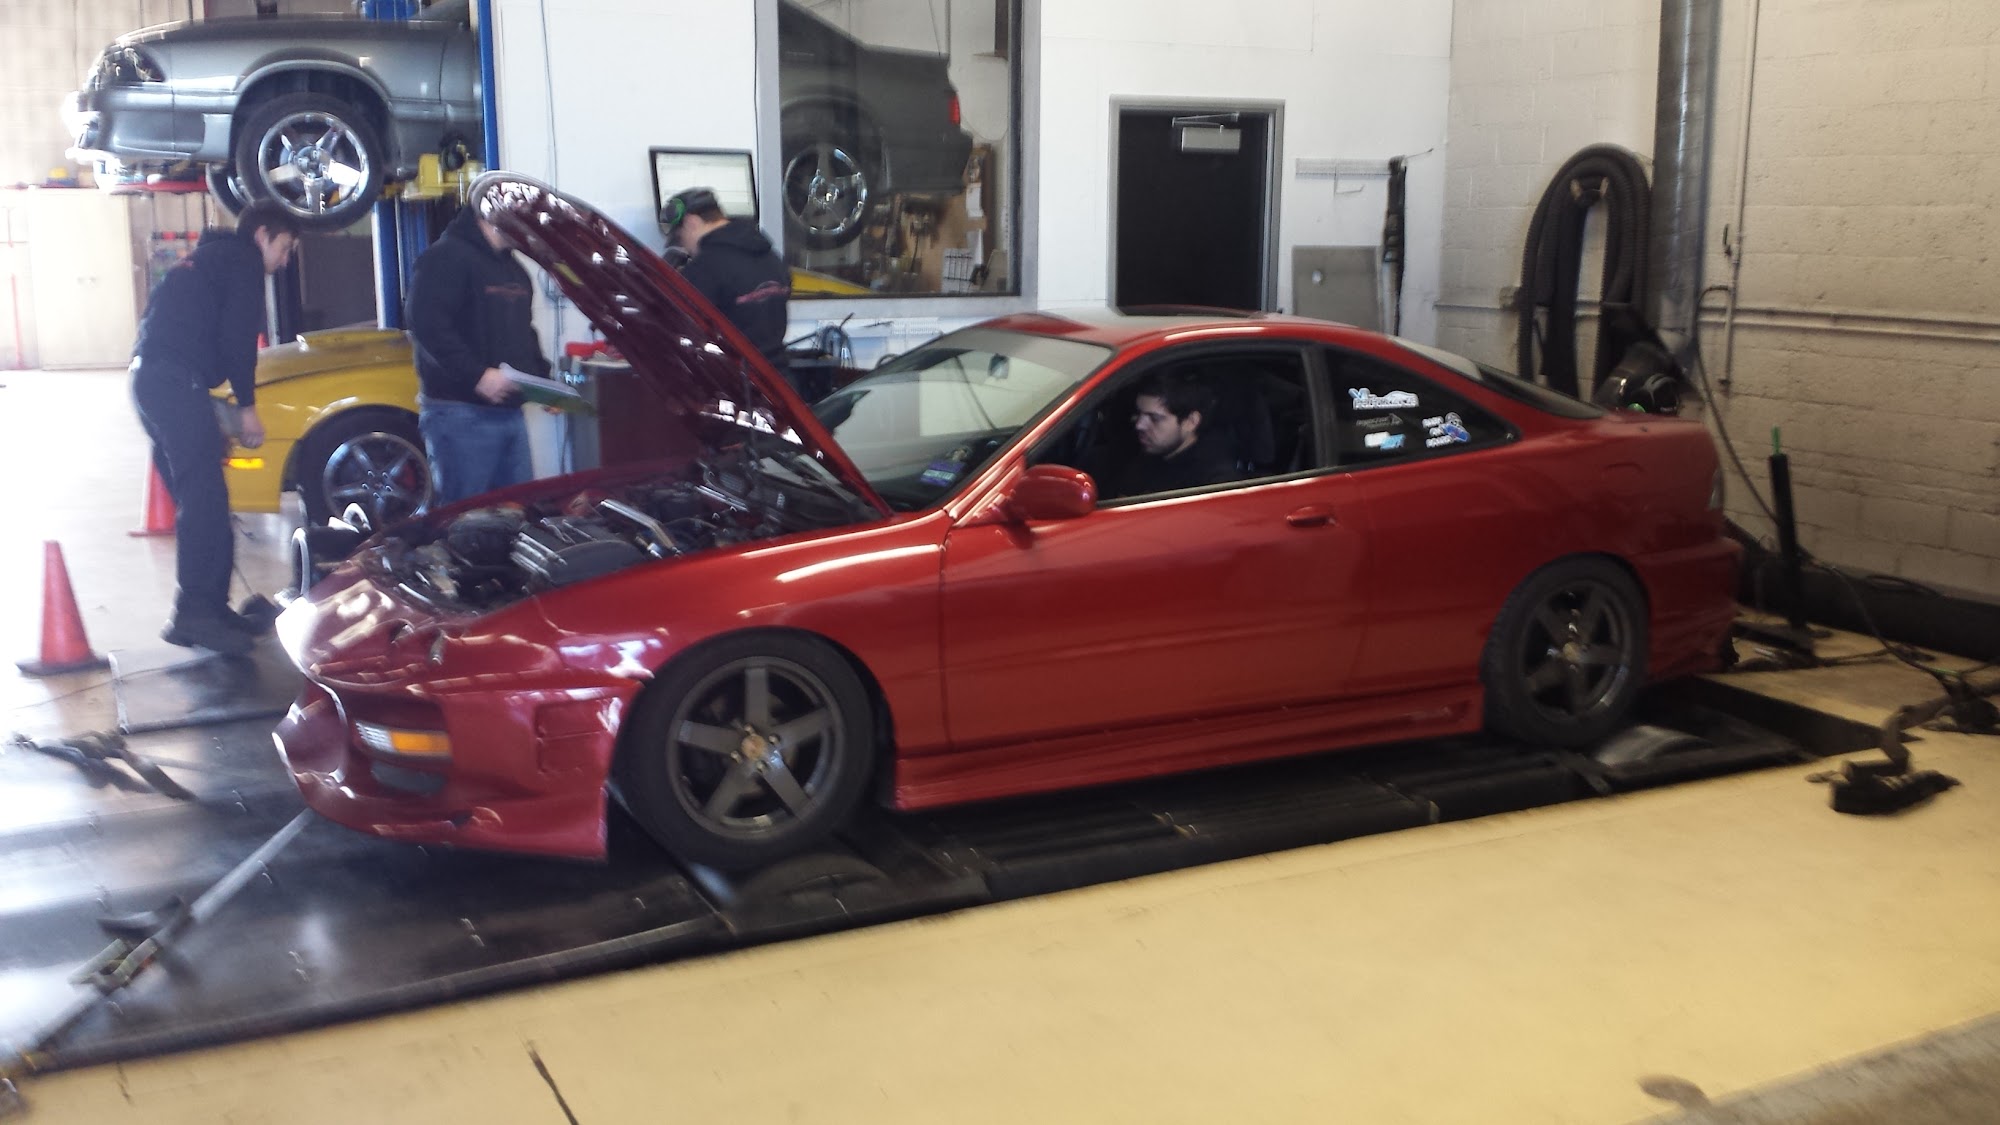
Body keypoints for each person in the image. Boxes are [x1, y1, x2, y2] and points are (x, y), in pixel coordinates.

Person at [131, 199, 300, 656]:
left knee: (204, 501)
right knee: (205, 502)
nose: (285, 261)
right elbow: (237, 340)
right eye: (285, 248)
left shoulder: (209, 258)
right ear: (262, 235)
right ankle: (194, 614)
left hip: (150, 381)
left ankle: (207, 609)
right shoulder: (243, 262)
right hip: (174, 383)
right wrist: (247, 408)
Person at [406, 204, 551, 507]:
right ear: (492, 212)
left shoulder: (515, 270)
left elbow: (523, 331)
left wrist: (545, 382)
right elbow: (427, 325)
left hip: (510, 414)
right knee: (464, 520)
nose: (529, 229)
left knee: (519, 514)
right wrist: (477, 376)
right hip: (460, 415)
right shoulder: (445, 257)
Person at [662, 187, 792, 372]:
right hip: (779, 379)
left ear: (692, 222)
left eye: (680, 237)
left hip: (734, 382)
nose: (685, 247)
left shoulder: (704, 268)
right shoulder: (770, 255)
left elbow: (679, 331)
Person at [1112, 371, 1236, 497]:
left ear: (1191, 422)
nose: (1139, 425)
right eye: (1138, 414)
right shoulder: (1144, 458)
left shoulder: (1213, 482)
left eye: (1155, 418)